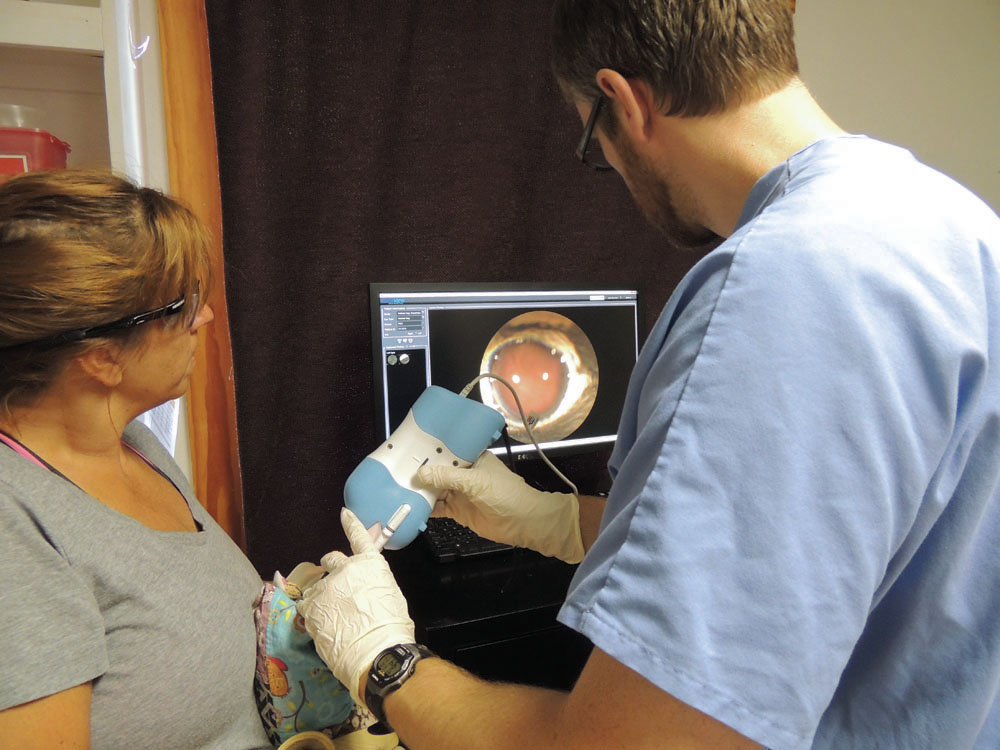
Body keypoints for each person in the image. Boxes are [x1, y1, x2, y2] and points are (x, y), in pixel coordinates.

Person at [298, 1, 1000, 749]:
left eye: (591, 144)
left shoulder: (778, 289)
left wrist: (387, 663)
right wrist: (557, 521)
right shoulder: (956, 226)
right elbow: (836, 540)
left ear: (624, 102)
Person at [0, 170, 274, 749]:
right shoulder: (15, 526)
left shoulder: (134, 445)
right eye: (184, 306)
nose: (204, 318)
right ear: (101, 359)